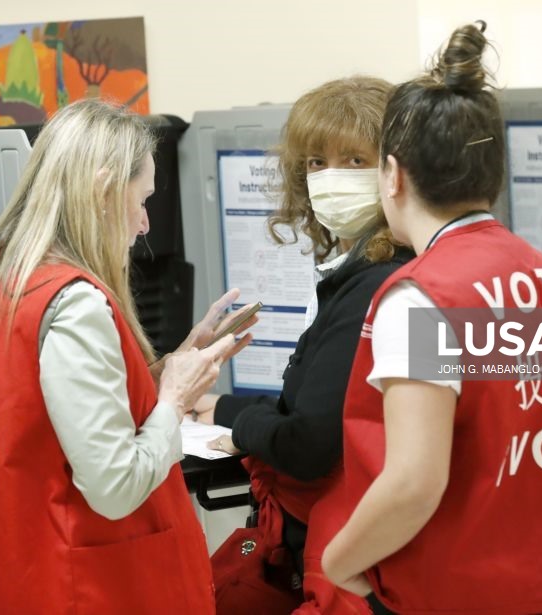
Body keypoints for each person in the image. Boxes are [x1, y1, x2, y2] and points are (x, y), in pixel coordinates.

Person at [320, 22, 542, 614]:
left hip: (465, 595)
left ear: (393, 175)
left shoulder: (424, 298)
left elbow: (413, 483)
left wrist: (338, 563)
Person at [0, 98, 254, 614]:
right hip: (74, 589)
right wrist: (174, 401)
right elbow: (116, 485)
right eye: (141, 199)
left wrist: (158, 376)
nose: (146, 224)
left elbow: (31, 415)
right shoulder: (73, 303)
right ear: (102, 188)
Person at [192, 77, 415, 613]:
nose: (330, 177)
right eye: (316, 162)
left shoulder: (377, 282)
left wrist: (237, 425)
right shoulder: (353, 272)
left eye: (354, 161)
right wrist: (220, 407)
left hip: (353, 562)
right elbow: (321, 401)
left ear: (394, 171)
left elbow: (311, 441)